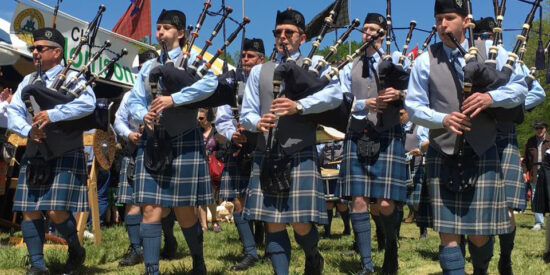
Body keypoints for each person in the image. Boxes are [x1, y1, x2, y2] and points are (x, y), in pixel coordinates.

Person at [405, 0, 528, 274]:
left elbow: (521, 87)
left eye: (449, 18)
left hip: (483, 150)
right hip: (443, 151)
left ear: (466, 20)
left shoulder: (492, 52)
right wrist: (443, 119)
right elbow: (413, 106)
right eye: (438, 19)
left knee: (480, 235)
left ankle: (481, 269)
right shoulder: (426, 59)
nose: (442, 25)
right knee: (448, 234)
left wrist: (490, 97)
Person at [240, 9, 342, 275]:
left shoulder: (318, 64)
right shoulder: (260, 72)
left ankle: (312, 255)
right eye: (278, 33)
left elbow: (335, 95)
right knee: (273, 222)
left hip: (300, 150)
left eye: (289, 33)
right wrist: (256, 122)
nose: (282, 37)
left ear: (303, 37)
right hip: (267, 152)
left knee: (300, 223)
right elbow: (247, 111)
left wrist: (300, 105)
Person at [127, 10, 218, 275]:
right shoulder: (147, 66)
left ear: (180, 33)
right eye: (158, 28)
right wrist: (141, 113)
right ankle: (151, 270)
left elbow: (210, 84)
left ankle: (198, 262)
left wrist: (174, 99)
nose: (160, 33)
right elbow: (134, 97)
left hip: (185, 138)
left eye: (166, 28)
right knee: (150, 208)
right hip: (154, 140)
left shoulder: (194, 62)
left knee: (184, 211)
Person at [8, 27, 96, 275]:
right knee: (30, 208)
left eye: (40, 48)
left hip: (66, 149)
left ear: (57, 53)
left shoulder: (74, 78)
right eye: (33, 48)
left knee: (57, 210)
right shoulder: (28, 81)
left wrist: (54, 114)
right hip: (36, 150)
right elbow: (13, 111)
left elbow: (88, 103)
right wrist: (27, 130)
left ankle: (75, 248)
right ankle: (38, 265)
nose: (34, 52)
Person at [472, 16, 547, 274]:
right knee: (476, 201)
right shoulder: (469, 58)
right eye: (482, 37)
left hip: (503, 136)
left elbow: (537, 92)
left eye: (486, 37)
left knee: (505, 205)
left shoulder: (508, 58)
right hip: (474, 134)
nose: (485, 41)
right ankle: (482, 262)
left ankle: (505, 258)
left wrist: (508, 108)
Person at [336, 12, 409, 275]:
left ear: (384, 34)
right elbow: (340, 99)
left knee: (387, 203)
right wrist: (363, 103)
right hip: (358, 131)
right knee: (358, 200)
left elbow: (416, 93)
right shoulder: (349, 65)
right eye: (365, 29)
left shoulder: (398, 59)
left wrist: (399, 94)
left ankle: (391, 247)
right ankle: (366, 264)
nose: (368, 34)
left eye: (374, 30)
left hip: (388, 132)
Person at [215, 37, 265, 271]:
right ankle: (251, 251)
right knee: (238, 201)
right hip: (238, 148)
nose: (245, 60)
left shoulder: (269, 81)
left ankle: (263, 239)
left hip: (264, 146)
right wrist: (231, 133)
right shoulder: (231, 82)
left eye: (251, 56)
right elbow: (222, 118)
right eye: (243, 56)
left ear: (261, 59)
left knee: (264, 200)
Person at [198, 108, 227, 233]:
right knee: (200, 198)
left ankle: (214, 221)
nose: (198, 121)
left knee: (210, 196)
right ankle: (204, 225)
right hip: (199, 167)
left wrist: (214, 156)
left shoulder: (217, 133)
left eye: (201, 118)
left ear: (208, 118)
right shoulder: (196, 132)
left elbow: (224, 148)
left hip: (211, 168)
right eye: (198, 118)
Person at [401, 109, 428, 239]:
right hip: (400, 167)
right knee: (398, 201)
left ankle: (423, 232)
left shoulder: (420, 126)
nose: (399, 117)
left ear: (408, 113)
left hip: (416, 167)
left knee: (417, 202)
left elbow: (425, 144)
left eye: (401, 114)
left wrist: (419, 150)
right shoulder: (397, 128)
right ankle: (395, 233)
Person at [317, 140, 351, 239]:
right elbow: (320, 158)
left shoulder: (345, 142)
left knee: (342, 204)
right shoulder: (324, 142)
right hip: (327, 175)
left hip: (340, 173)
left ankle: (347, 228)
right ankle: (327, 232)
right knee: (328, 203)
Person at [523, 121, 550, 231]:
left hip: (548, 172)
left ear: (545, 128)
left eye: (541, 128)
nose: (538, 130)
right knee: (535, 197)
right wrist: (525, 172)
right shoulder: (530, 141)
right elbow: (525, 160)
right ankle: (538, 223)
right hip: (535, 173)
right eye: (536, 128)